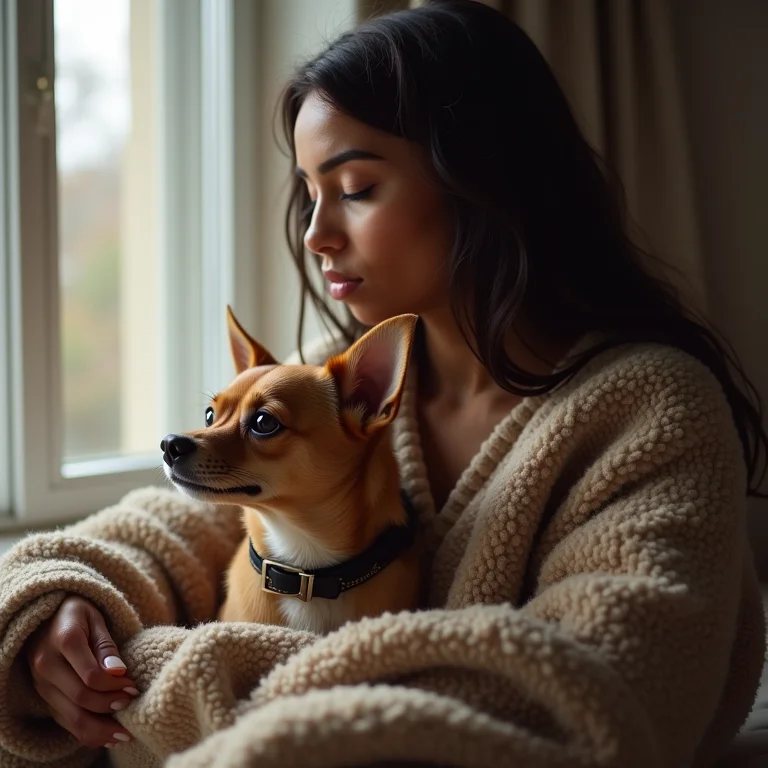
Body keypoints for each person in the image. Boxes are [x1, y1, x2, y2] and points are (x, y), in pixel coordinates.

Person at [0, 1, 765, 766]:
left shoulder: (650, 409)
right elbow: (188, 529)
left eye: (357, 187)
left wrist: (164, 674)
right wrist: (63, 600)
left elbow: (610, 688)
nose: (314, 235)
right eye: (309, 192)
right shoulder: (334, 375)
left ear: (484, 178)